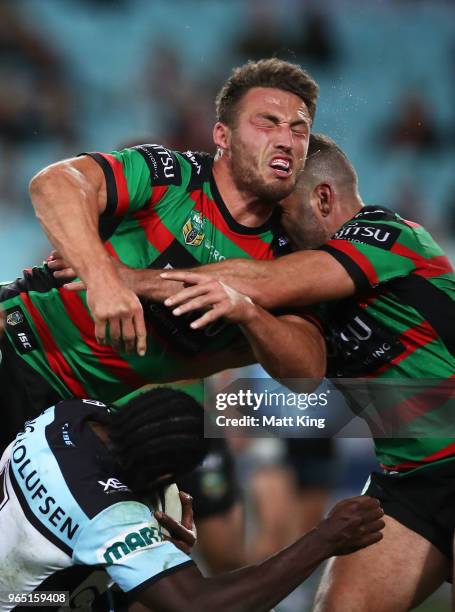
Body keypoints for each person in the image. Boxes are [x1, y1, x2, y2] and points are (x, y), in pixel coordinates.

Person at [160, 133, 455, 610]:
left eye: (282, 214)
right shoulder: (309, 296)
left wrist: (117, 276)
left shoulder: (387, 232)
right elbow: (302, 376)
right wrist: (250, 316)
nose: (275, 231)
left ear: (322, 198)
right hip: (407, 477)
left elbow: (268, 282)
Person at [0, 57, 319, 451]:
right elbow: (53, 184)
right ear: (223, 135)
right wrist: (103, 279)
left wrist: (248, 311)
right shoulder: (170, 175)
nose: (286, 139)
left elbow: (307, 372)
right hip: (17, 341)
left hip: (74, 415)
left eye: (298, 129)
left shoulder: (287, 262)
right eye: (267, 122)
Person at [0, 385, 385, 612]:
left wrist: (157, 549)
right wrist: (325, 539)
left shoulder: (67, 415)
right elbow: (197, 605)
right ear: (167, 476)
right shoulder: (110, 516)